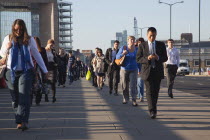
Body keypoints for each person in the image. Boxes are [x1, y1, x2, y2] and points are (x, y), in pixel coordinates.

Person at [0, 19, 48, 130]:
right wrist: (7, 47)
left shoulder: (30, 40)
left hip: (26, 71)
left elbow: (37, 55)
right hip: (10, 71)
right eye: (16, 29)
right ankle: (19, 118)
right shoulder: (8, 38)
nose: (18, 31)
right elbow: (2, 53)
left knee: (24, 96)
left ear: (24, 29)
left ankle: (23, 121)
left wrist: (45, 70)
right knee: (15, 98)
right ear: (13, 28)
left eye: (21, 29)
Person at [136, 27, 168, 119]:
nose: (152, 37)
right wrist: (147, 58)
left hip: (157, 71)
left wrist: (158, 58)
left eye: (154, 36)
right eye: (150, 36)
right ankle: (152, 110)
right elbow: (138, 59)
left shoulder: (161, 45)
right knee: (149, 91)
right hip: (147, 71)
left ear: (156, 35)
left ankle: (153, 107)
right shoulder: (142, 45)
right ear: (147, 35)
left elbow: (165, 58)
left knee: (156, 91)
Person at [116, 36, 138, 106]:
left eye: (133, 40)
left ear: (134, 41)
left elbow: (139, 60)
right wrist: (123, 53)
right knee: (124, 85)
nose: (131, 41)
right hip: (124, 69)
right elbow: (117, 57)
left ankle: (134, 100)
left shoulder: (137, 49)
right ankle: (125, 98)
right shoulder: (124, 48)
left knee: (133, 85)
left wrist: (140, 69)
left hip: (134, 69)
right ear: (127, 41)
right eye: (130, 40)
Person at [31, 37, 48, 105]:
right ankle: (32, 99)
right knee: (33, 85)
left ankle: (37, 99)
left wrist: (45, 70)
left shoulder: (42, 50)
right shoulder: (30, 49)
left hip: (38, 70)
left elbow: (45, 61)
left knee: (38, 85)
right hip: (33, 69)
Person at [136, 38, 145, 102]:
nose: (140, 44)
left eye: (141, 42)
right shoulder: (135, 49)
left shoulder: (145, 50)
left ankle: (141, 96)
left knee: (140, 82)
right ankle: (138, 95)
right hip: (135, 68)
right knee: (137, 83)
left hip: (143, 68)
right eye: (139, 42)